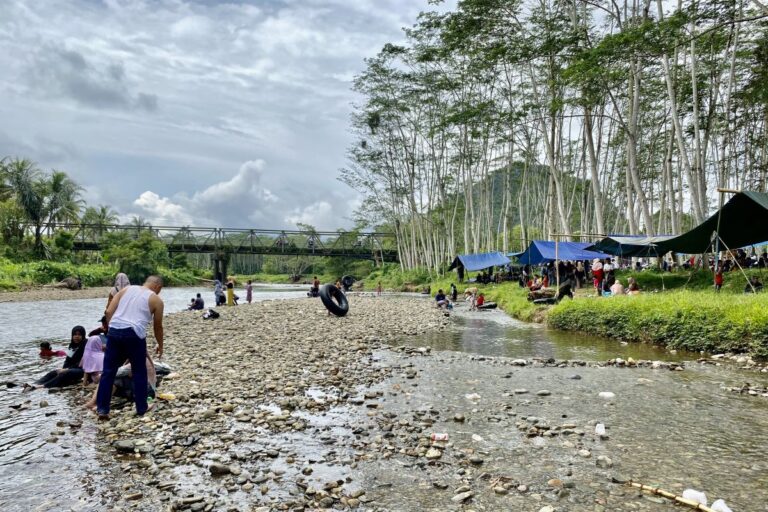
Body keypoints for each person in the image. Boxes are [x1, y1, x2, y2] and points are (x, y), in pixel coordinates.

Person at [95, 275, 164, 419]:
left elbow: (108, 312)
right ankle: (141, 407)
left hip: (115, 331)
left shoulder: (126, 289)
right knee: (139, 371)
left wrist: (111, 329)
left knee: (108, 372)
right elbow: (157, 326)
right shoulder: (156, 300)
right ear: (157, 286)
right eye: (160, 289)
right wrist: (160, 344)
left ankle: (102, 409)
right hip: (134, 334)